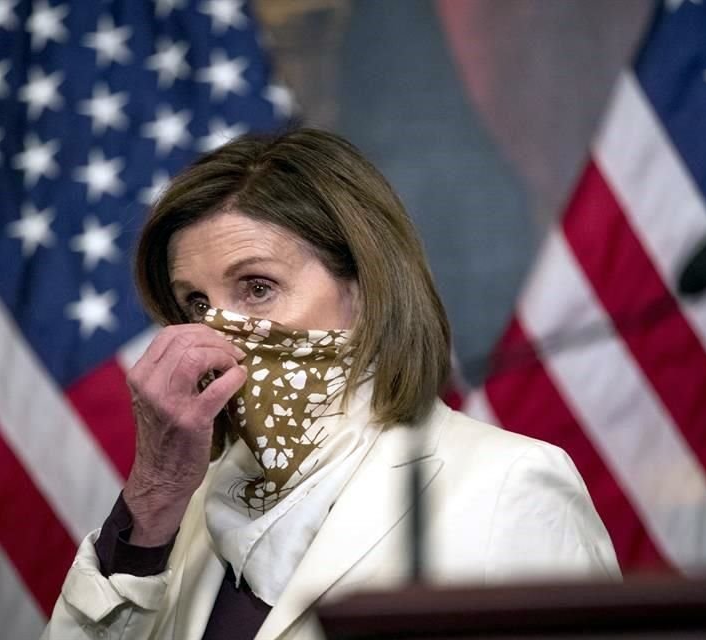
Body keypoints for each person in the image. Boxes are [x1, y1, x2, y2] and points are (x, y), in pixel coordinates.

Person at [43, 129, 619, 640]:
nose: (217, 331)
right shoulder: (185, 507)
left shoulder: (511, 487)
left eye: (257, 287)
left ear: (366, 288)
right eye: (196, 302)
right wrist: (153, 498)